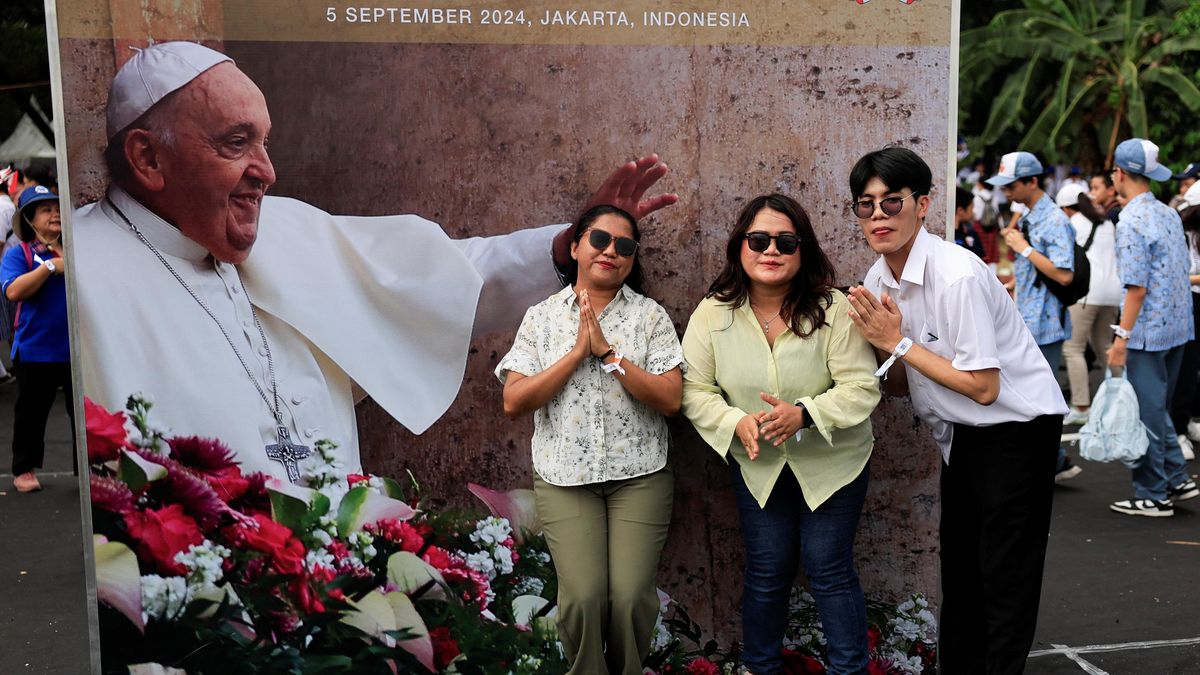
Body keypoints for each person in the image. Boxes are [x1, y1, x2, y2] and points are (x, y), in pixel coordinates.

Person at [72, 42, 677, 482]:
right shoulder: (83, 274)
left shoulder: (289, 229)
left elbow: (442, 280)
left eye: (265, 141)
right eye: (236, 143)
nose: (267, 170)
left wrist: (565, 247)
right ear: (148, 159)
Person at [845, 147, 1065, 674]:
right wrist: (881, 348)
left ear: (923, 204)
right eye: (865, 205)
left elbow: (985, 387)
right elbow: (900, 386)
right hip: (958, 436)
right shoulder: (877, 280)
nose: (878, 216)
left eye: (891, 202)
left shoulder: (956, 274)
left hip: (1016, 429)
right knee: (962, 573)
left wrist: (896, 342)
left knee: (1004, 577)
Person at [682, 194, 879, 675]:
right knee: (767, 571)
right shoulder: (713, 313)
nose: (771, 250)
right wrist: (735, 421)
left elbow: (862, 386)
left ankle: (849, 671)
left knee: (829, 568)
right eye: (759, 239)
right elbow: (692, 388)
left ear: (803, 249)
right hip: (758, 462)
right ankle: (760, 669)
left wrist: (805, 414)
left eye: (786, 241)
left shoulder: (833, 308)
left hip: (833, 463)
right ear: (740, 247)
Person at [496, 205, 683, 674]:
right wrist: (578, 352)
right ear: (576, 246)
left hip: (638, 477)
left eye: (624, 246)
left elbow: (670, 398)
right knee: (581, 598)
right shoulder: (541, 319)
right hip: (564, 479)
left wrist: (609, 354)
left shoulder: (649, 317)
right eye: (600, 239)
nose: (611, 252)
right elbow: (514, 401)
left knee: (630, 599)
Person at [1105, 138, 1197, 516]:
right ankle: (1176, 476)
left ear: (1121, 174)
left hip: (1145, 331)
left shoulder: (1130, 220)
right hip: (1178, 325)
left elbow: (1137, 287)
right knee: (1157, 409)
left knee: (1146, 413)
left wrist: (1120, 338)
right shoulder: (1167, 212)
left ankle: (1152, 493)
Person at [989, 151, 1080, 482]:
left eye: (1011, 185)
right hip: (1028, 318)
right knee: (1032, 395)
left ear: (1032, 181)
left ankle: (1047, 463)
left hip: (1045, 322)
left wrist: (1023, 247)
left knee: (1041, 399)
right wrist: (1015, 280)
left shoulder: (1053, 219)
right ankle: (1052, 461)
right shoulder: (1030, 216)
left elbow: (1064, 274)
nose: (1007, 192)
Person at [2, 186, 73, 492]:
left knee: (86, 416)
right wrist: (48, 267)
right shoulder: (21, 253)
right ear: (30, 219)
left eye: (56, 207)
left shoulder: (76, 248)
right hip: (36, 350)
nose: (55, 213)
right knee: (31, 414)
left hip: (79, 351)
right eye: (45, 210)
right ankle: (24, 471)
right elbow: (13, 291)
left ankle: (89, 471)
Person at [1057, 185, 1122, 427]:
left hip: (1086, 294)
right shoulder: (1106, 223)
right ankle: (1122, 397)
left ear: (1066, 208)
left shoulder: (1073, 223)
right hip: (1112, 293)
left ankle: (1082, 406)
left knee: (1073, 349)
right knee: (1106, 346)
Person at [953, 186, 986, 259]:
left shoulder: (971, 233)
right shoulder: (945, 237)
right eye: (971, 208)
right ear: (960, 210)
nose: (973, 213)